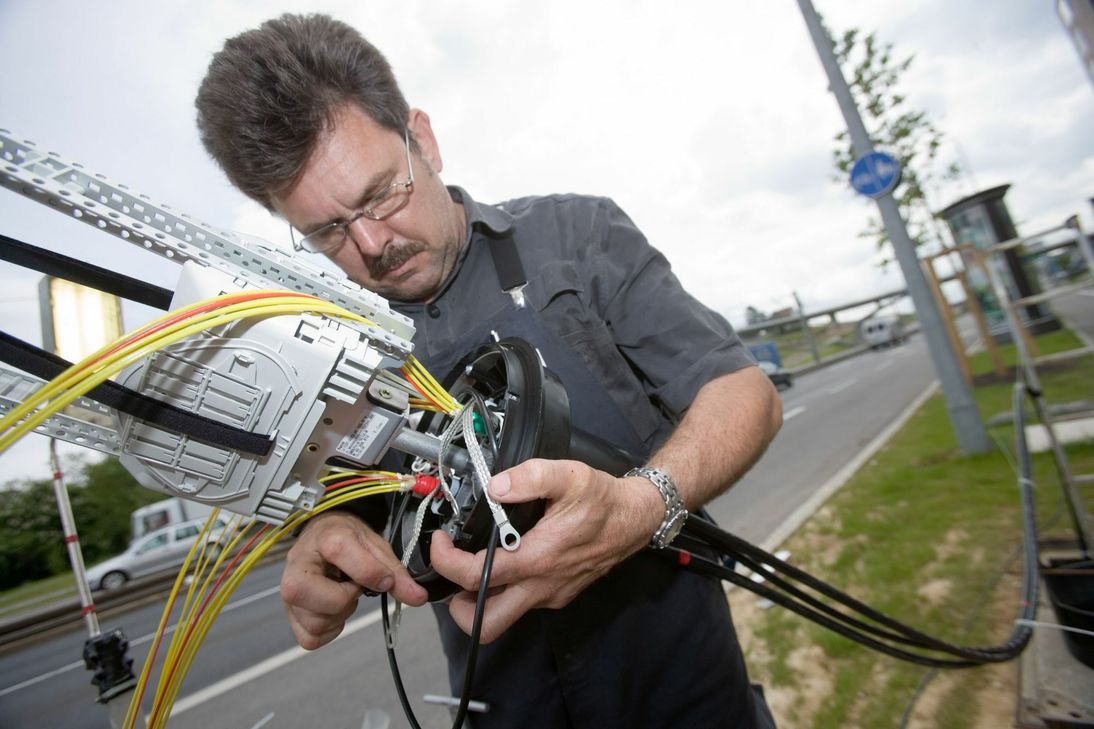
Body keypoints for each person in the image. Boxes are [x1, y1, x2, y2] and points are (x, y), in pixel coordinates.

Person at [196, 13, 782, 728]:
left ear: (424, 140)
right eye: (327, 231)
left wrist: (641, 506)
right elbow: (354, 506)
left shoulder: (579, 236)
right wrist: (321, 546)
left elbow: (740, 391)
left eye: (382, 193)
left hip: (689, 697)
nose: (373, 243)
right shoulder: (333, 353)